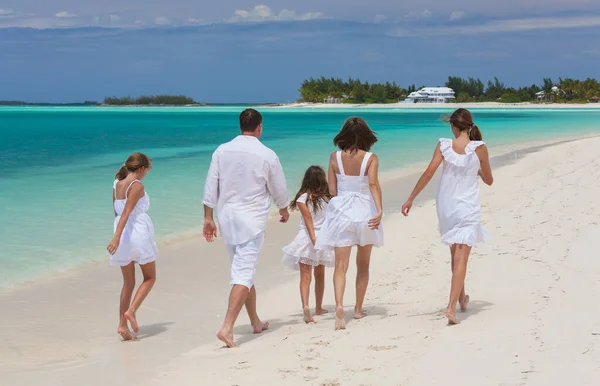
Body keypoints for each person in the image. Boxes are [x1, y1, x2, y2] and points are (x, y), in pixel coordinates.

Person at [203, 108, 290, 348]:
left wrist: (207, 217)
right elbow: (278, 187)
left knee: (243, 270)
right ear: (259, 126)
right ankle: (227, 328)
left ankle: (255, 321)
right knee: (243, 273)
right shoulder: (267, 154)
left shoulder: (222, 150)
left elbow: (211, 185)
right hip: (251, 221)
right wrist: (283, 208)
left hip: (227, 219)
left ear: (240, 125)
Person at [401, 108, 493, 325]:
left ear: (453, 126)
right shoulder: (479, 148)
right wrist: (478, 171)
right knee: (462, 257)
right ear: (469, 126)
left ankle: (461, 298)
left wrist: (410, 198)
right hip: (467, 206)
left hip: (446, 205)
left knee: (455, 253)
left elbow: (429, 173)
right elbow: (489, 180)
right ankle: (451, 308)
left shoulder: (443, 145)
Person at [315, 117, 384, 330]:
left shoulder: (334, 157)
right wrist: (380, 209)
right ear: (366, 136)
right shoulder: (371, 158)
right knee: (363, 265)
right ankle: (358, 309)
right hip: (365, 211)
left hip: (341, 212)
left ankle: (338, 307)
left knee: (340, 267)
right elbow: (372, 184)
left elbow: (333, 191)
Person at [107, 152, 158, 341]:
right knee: (150, 277)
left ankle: (122, 326)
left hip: (122, 234)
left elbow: (117, 213)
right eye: (146, 170)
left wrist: (117, 236)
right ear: (142, 169)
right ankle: (132, 311)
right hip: (136, 233)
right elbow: (128, 213)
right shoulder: (136, 185)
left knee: (128, 283)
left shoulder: (116, 184)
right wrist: (116, 238)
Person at [282, 166, 334, 324]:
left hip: (305, 238)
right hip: (323, 238)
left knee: (305, 277)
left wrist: (312, 238)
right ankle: (318, 307)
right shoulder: (328, 198)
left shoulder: (302, 198)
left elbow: (307, 218)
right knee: (320, 275)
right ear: (322, 179)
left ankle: (306, 306)